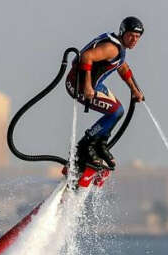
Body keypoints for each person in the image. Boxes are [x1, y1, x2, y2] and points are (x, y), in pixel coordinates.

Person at [66, 16, 145, 170]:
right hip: (78, 86)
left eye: (137, 37)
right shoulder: (112, 48)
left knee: (118, 110)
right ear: (122, 32)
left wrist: (134, 90)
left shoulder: (119, 49)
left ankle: (100, 145)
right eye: (131, 35)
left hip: (94, 85)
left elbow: (122, 67)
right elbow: (86, 57)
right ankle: (84, 147)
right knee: (116, 111)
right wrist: (88, 86)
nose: (134, 40)